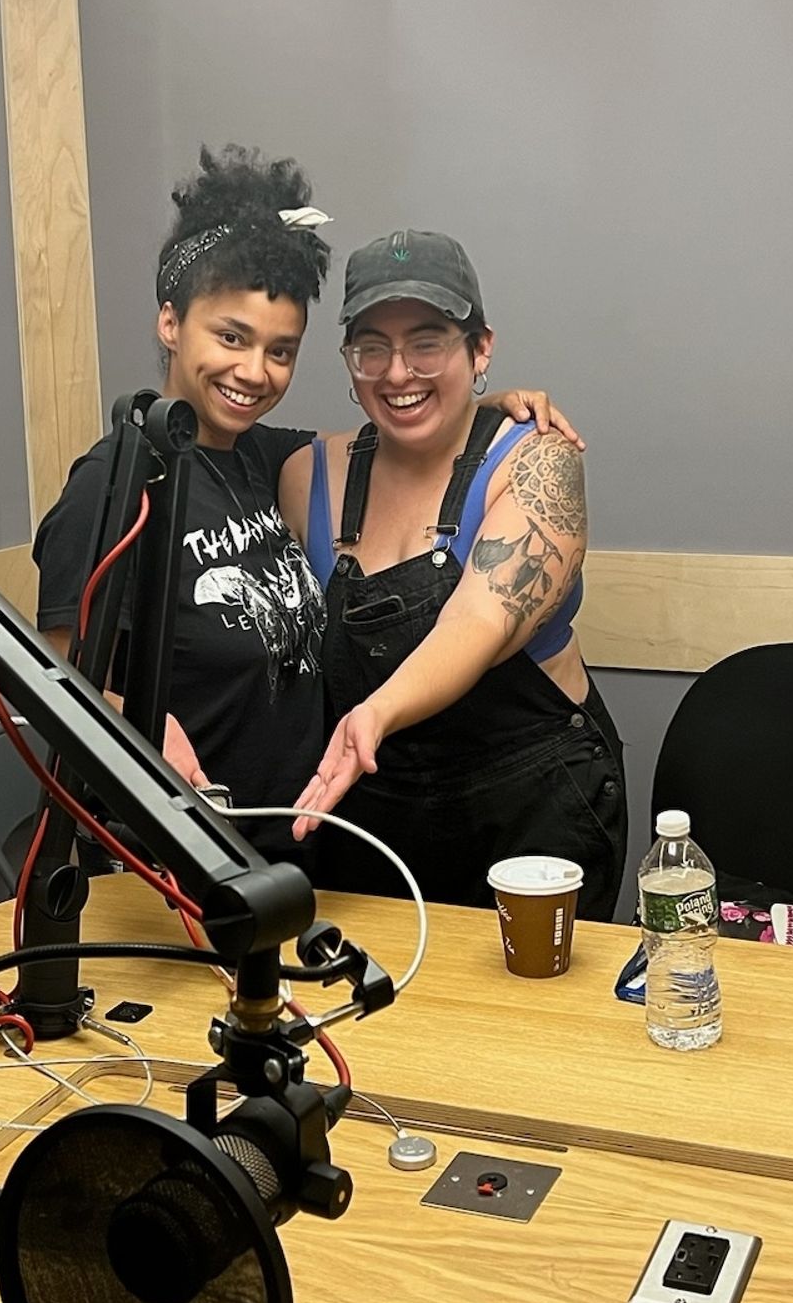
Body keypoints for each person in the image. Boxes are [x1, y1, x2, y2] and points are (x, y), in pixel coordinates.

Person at [32, 149, 579, 866]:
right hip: (184, 859)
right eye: (230, 337)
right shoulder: (114, 481)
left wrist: (487, 409)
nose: (254, 372)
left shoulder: (265, 458)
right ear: (171, 322)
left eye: (280, 350)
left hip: (309, 850)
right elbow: (54, 683)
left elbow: (402, 436)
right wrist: (134, 722)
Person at [282, 229, 627, 919]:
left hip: (532, 810)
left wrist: (374, 713)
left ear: (481, 348)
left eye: (428, 341)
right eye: (371, 346)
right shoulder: (307, 477)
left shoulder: (538, 463)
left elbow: (476, 621)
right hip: (374, 816)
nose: (398, 371)